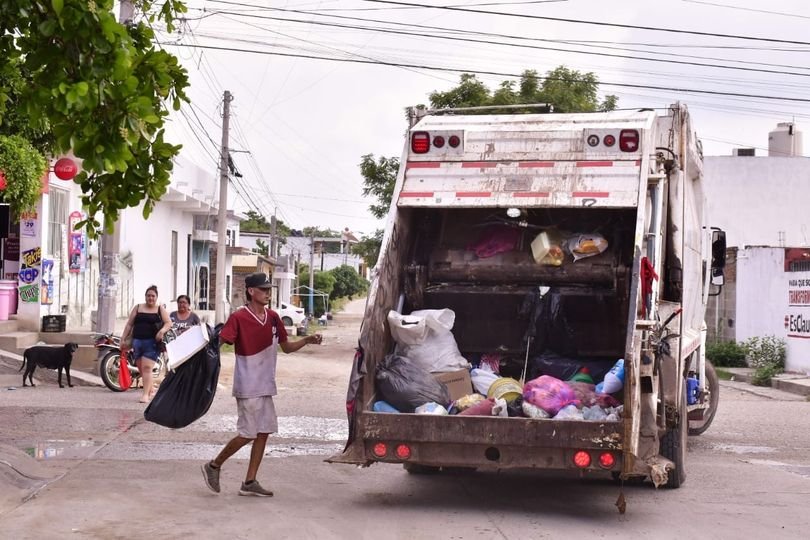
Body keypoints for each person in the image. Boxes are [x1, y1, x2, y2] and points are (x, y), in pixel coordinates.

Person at [201, 272, 322, 497]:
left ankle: (249, 481)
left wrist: (306, 340)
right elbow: (219, 342)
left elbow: (285, 347)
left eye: (269, 290)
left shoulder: (274, 317)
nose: (268, 293)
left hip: (266, 384)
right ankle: (214, 465)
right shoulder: (239, 317)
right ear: (251, 291)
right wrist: (199, 365)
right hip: (247, 385)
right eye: (264, 289)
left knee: (264, 431)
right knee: (248, 433)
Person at [121, 285, 173, 403]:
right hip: (137, 342)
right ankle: (151, 388)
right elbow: (129, 324)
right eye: (148, 296)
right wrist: (123, 338)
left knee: (146, 368)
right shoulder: (138, 308)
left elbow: (169, 323)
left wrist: (161, 331)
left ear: (156, 298)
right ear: (145, 296)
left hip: (152, 343)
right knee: (141, 368)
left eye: (153, 296)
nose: (150, 298)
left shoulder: (159, 309)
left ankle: (145, 395)